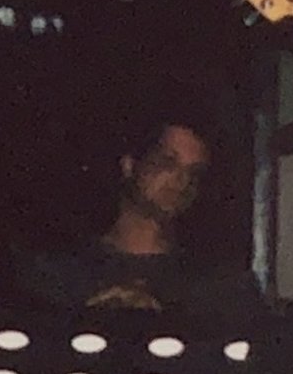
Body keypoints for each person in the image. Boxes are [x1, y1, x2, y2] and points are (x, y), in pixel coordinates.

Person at [15, 105, 262, 314]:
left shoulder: (218, 286)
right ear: (130, 166)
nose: (181, 181)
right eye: (167, 163)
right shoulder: (59, 274)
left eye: (194, 173)